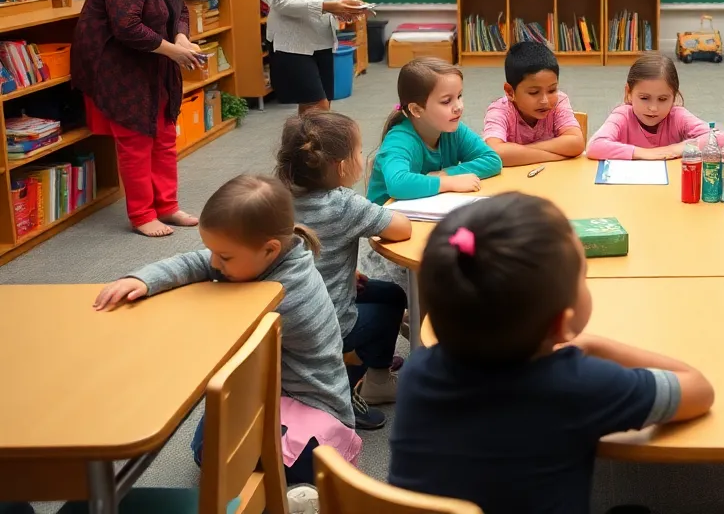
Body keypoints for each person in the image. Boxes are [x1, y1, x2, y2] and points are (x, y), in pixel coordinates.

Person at [388, 192, 715, 513]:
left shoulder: (418, 371)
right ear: (562, 324)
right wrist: (594, 344)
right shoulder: (577, 385)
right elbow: (699, 389)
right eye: (582, 276)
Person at [93, 175, 359, 499]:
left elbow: (211, 346)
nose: (214, 263)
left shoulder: (287, 294)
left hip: (315, 409)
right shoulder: (264, 255)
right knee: (208, 447)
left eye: (224, 258)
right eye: (213, 252)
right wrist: (146, 279)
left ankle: (301, 489)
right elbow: (198, 263)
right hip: (271, 395)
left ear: (269, 250)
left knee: (214, 451)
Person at [275, 112, 413, 431]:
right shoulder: (342, 205)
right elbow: (401, 228)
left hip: (284, 313)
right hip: (326, 324)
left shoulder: (275, 195)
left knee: (389, 294)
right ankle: (348, 385)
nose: (363, 158)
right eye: (359, 151)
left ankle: (376, 372)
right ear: (341, 166)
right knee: (389, 305)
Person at [71, 0, 202, 237]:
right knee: (136, 141)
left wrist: (181, 38)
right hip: (119, 67)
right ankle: (142, 214)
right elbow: (126, 27)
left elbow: (180, 10)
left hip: (154, 61)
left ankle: (167, 206)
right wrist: (174, 50)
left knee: (164, 136)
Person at [367, 58, 502, 203]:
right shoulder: (399, 140)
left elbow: (493, 160)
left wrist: (445, 173)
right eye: (446, 101)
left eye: (459, 96)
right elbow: (398, 184)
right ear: (416, 110)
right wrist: (449, 182)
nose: (459, 106)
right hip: (387, 220)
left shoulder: (453, 129)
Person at [586, 52, 711, 161]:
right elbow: (594, 146)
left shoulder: (678, 116)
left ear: (674, 97)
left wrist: (672, 150)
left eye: (662, 99)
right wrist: (647, 153)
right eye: (644, 98)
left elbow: (723, 138)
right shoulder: (623, 116)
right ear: (628, 93)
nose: (653, 108)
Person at [483, 41, 585, 167]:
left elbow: (576, 143)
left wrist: (517, 152)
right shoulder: (500, 110)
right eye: (534, 92)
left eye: (552, 90)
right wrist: (555, 155)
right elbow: (494, 154)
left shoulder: (559, 101)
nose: (545, 100)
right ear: (510, 92)